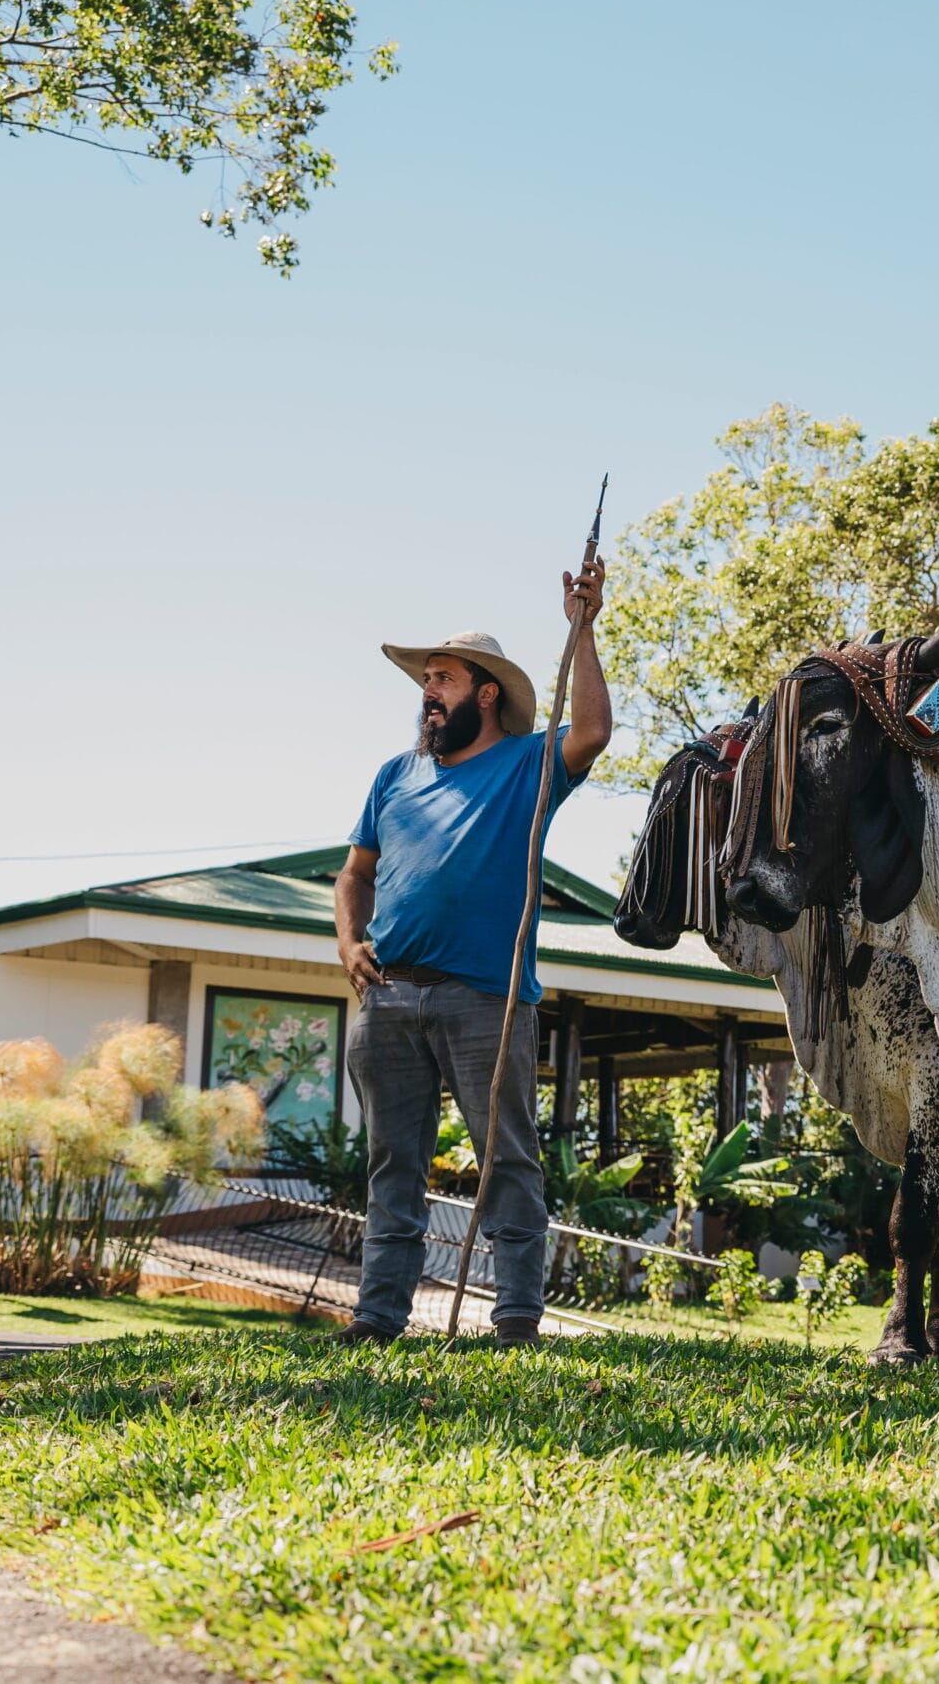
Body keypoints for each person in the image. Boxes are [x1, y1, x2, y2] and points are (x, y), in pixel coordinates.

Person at [332, 559, 609, 1346]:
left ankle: (516, 1318)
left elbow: (592, 732)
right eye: (426, 678)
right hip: (388, 996)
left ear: (486, 693)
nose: (429, 690)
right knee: (393, 1162)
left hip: (487, 995)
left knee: (506, 1159)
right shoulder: (394, 775)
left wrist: (583, 627)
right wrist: (350, 943)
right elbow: (355, 873)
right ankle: (378, 1316)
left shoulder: (526, 765)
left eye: (443, 677)